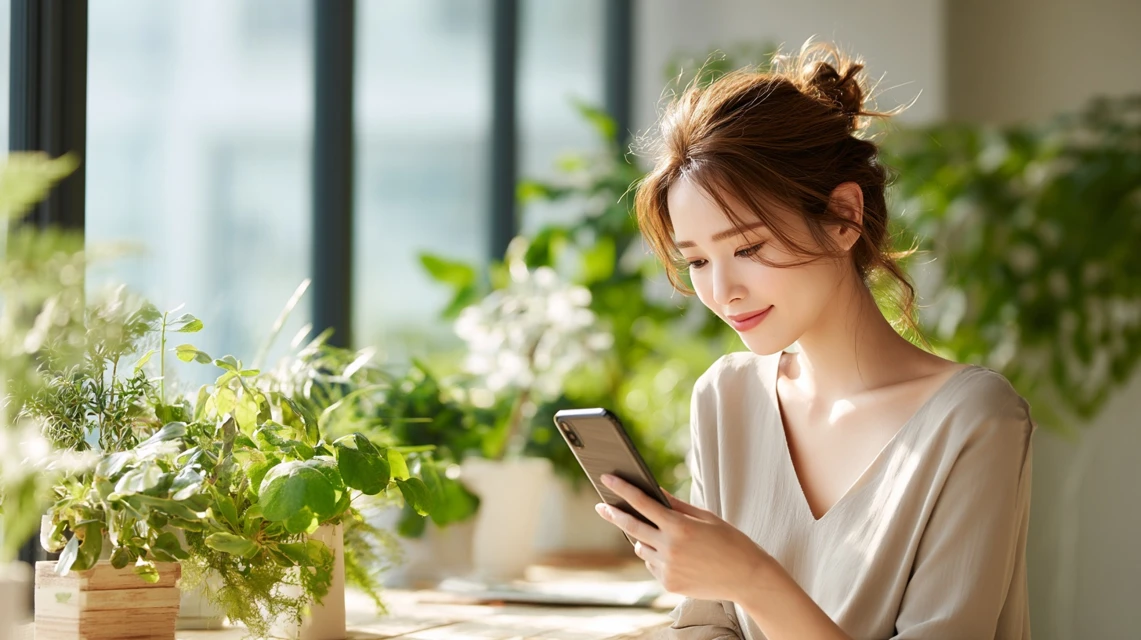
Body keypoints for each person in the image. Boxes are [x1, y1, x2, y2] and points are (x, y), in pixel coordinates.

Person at [593, 40, 1035, 639]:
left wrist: (752, 578)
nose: (723, 291)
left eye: (748, 248)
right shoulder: (726, 398)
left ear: (844, 217)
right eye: (696, 261)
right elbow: (704, 626)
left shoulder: (972, 420)